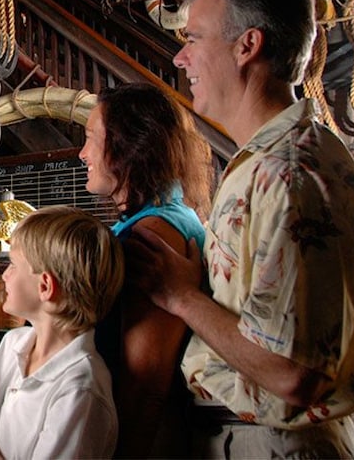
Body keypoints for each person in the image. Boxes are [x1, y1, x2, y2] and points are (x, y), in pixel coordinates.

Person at [126, 0, 354, 458]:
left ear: (247, 46)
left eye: (195, 37)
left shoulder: (289, 173)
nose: (181, 57)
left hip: (277, 445)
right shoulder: (266, 163)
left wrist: (181, 296)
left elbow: (292, 372)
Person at [80, 82, 214, 458]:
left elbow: (146, 387)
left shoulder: (155, 235)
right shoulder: (166, 217)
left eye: (92, 138)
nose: (82, 153)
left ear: (128, 146)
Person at [0, 205, 125, 459]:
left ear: (46, 286)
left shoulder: (80, 390)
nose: (4, 275)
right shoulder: (13, 344)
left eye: (13, 264)